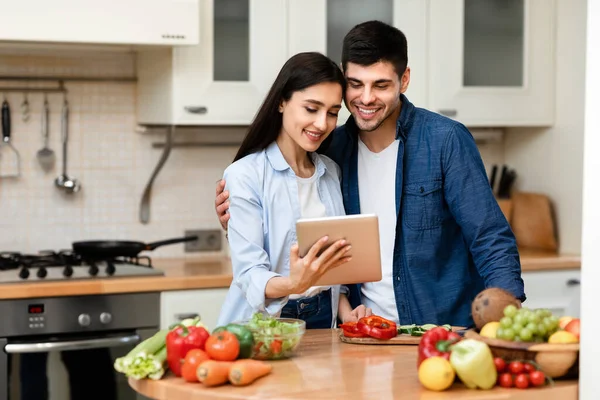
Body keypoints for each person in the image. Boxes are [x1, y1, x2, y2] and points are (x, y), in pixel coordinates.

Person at [216, 21, 525, 328]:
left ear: (404, 80)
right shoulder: (331, 150)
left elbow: (490, 238)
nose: (365, 98)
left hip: (437, 330)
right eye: (355, 83)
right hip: (363, 334)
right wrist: (239, 221)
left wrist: (506, 320)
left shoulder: (445, 141)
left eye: (381, 85)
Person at [216, 52, 370, 329]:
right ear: (281, 102)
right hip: (264, 323)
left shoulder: (330, 172)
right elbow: (249, 273)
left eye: (333, 113)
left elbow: (330, 264)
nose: (323, 124)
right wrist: (293, 283)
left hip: (325, 318)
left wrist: (345, 312)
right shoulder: (244, 175)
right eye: (311, 109)